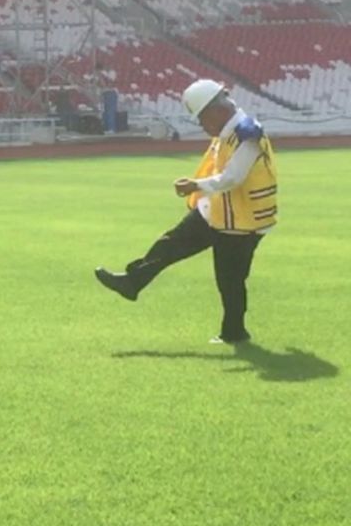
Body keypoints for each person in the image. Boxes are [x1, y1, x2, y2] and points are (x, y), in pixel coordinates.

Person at [94, 79, 278, 344]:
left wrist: (196, 185)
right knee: (169, 245)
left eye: (202, 119)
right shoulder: (227, 132)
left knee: (230, 279)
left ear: (217, 111)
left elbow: (233, 177)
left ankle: (234, 333)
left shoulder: (247, 133)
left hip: (243, 221)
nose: (201, 126)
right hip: (217, 212)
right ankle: (132, 282)